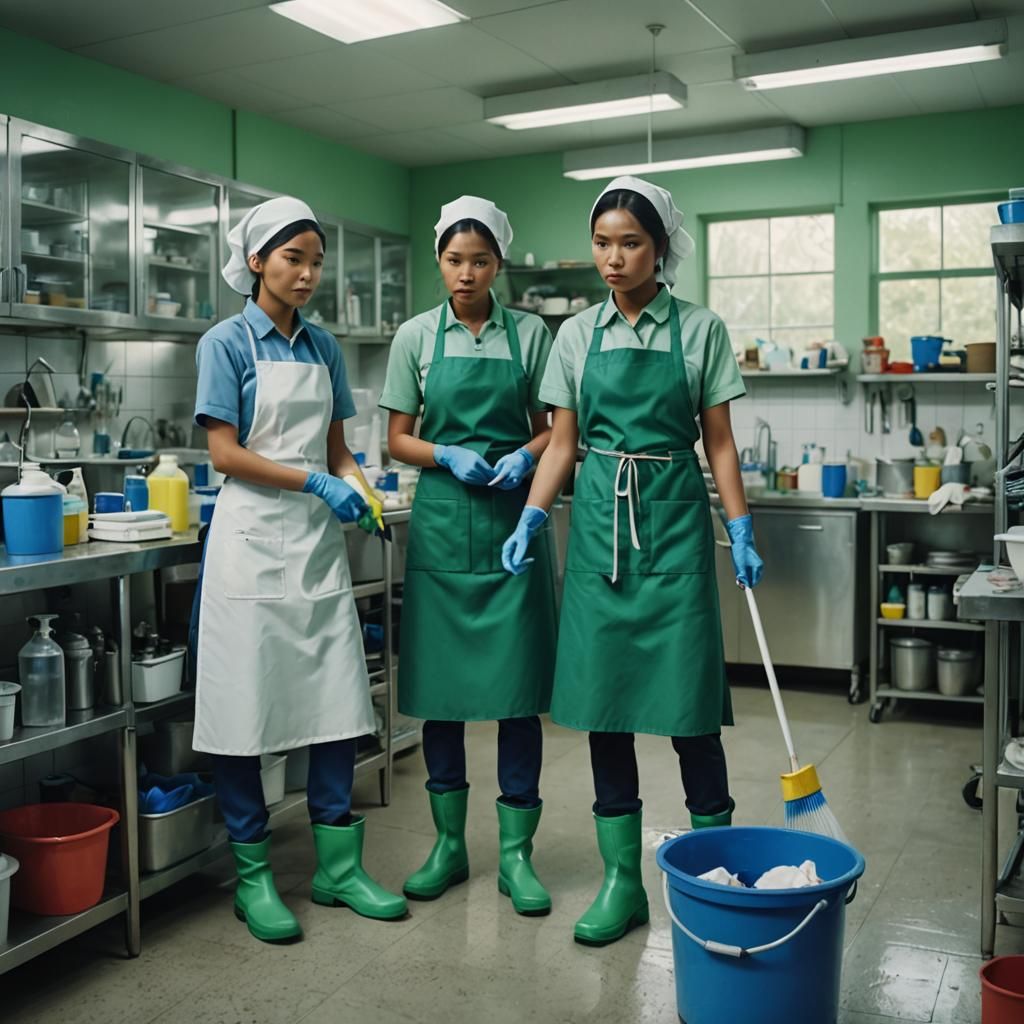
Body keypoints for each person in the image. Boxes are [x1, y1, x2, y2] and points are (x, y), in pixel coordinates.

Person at [501, 177, 763, 946]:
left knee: (690, 711)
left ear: (661, 248)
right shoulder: (574, 336)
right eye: (603, 243)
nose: (612, 259)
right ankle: (623, 883)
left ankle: (713, 874)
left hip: (676, 524)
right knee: (604, 711)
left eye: (631, 244)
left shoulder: (701, 329)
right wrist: (531, 515)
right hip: (599, 539)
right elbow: (562, 442)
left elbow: (716, 440)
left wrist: (739, 526)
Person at [192, 195, 406, 944]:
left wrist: (356, 484)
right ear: (257, 262)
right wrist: (314, 481)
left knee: (335, 702)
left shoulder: (323, 348)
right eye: (295, 258)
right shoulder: (226, 342)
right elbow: (223, 454)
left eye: (316, 260)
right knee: (245, 710)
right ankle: (254, 880)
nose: (310, 273)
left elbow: (337, 447)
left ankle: (337, 868)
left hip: (313, 549)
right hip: (251, 541)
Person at [380, 196, 558, 915]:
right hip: (446, 525)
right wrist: (444, 453)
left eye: (480, 261)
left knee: (517, 699)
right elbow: (397, 438)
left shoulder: (533, 336)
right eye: (455, 260)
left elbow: (557, 430)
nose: (466, 273)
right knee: (443, 700)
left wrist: (525, 454)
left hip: (514, 523)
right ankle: (449, 846)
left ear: (499, 265)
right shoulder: (415, 338)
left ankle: (517, 856)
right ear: (438, 260)